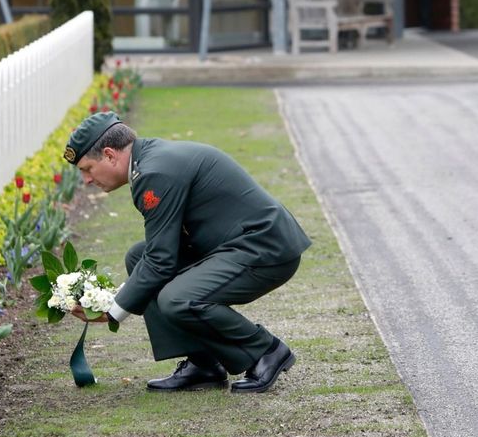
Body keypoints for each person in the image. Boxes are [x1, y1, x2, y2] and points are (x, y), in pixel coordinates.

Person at [63, 111, 311, 393]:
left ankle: (266, 350)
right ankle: (203, 364)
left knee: (178, 298)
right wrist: (117, 296)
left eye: (87, 168)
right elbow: (158, 254)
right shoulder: (149, 161)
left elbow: (160, 261)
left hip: (266, 248)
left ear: (109, 155)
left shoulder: (154, 172)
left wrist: (112, 310)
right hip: (236, 244)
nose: (86, 180)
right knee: (137, 256)